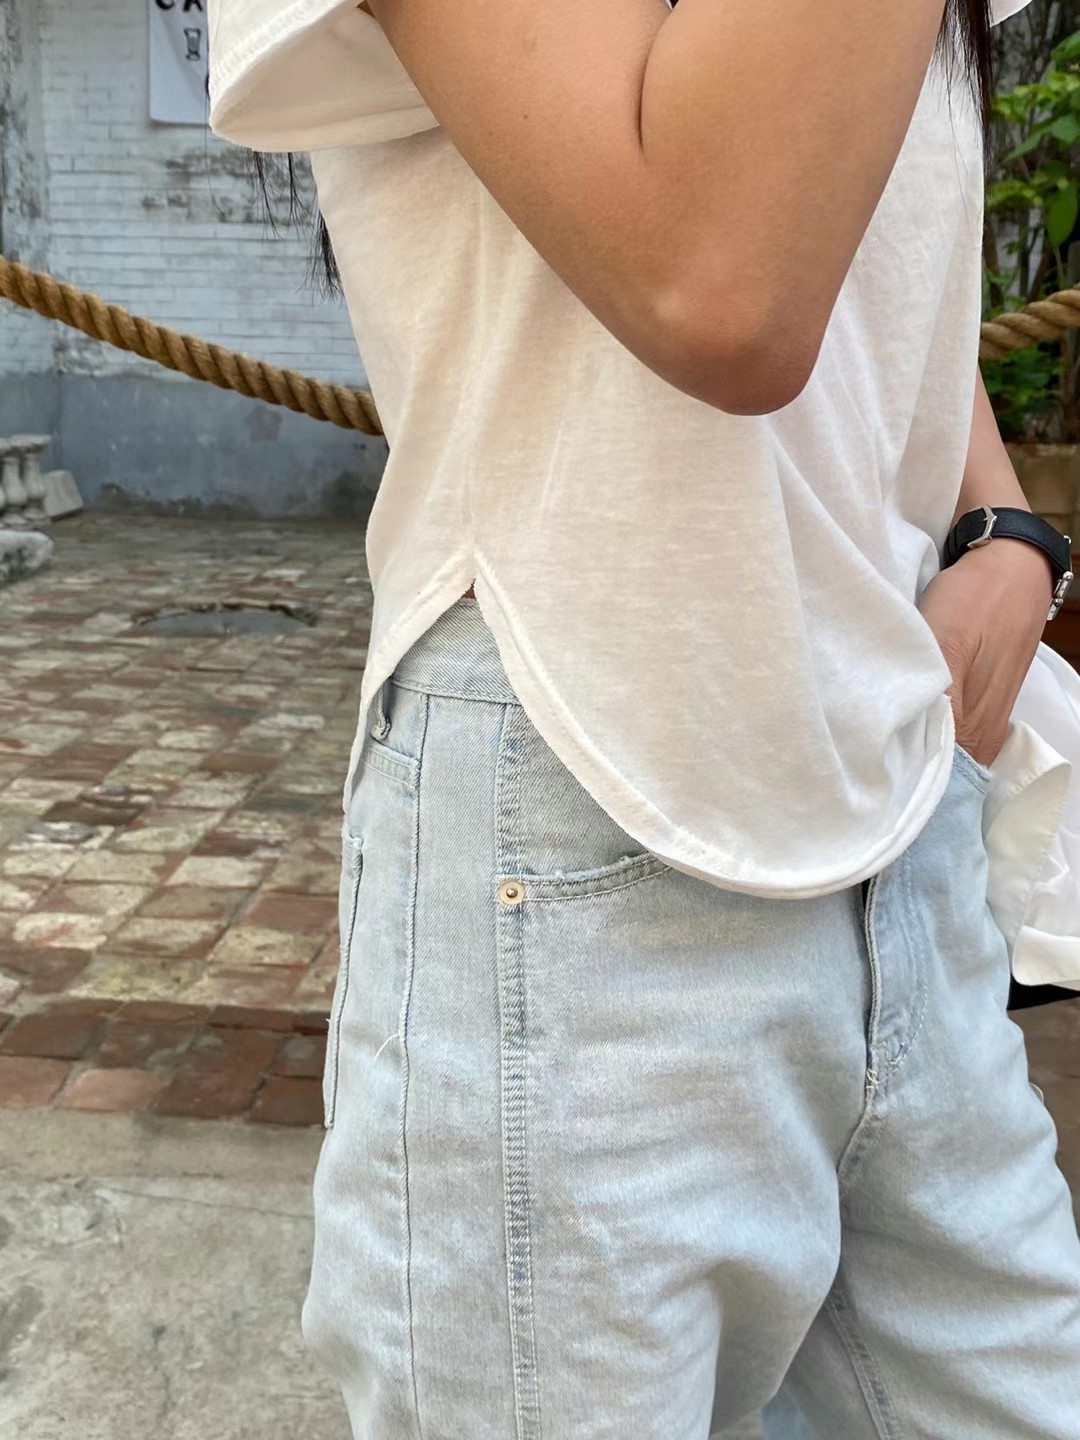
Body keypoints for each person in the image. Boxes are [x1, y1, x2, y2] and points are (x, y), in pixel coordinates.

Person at [208, 0, 1080, 1433]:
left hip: (897, 801)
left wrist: (1005, 535)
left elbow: (862, 229)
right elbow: (719, 271)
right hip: (591, 806)